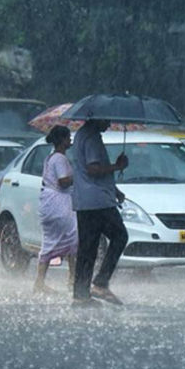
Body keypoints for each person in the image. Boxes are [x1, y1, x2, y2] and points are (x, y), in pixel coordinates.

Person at [70, 119, 129, 306]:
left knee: (87, 249)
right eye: (107, 119)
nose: (110, 124)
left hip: (85, 200)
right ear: (97, 117)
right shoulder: (92, 138)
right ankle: (101, 283)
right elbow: (93, 169)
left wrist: (115, 190)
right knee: (120, 236)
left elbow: (85, 170)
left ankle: (80, 294)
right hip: (98, 201)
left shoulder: (81, 134)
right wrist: (117, 167)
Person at [34, 125, 77, 293]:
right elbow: (63, 182)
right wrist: (78, 175)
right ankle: (72, 279)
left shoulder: (51, 157)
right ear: (62, 140)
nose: (70, 140)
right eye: (68, 137)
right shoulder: (59, 159)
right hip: (58, 204)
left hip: (50, 204)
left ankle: (40, 282)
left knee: (51, 242)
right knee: (74, 239)